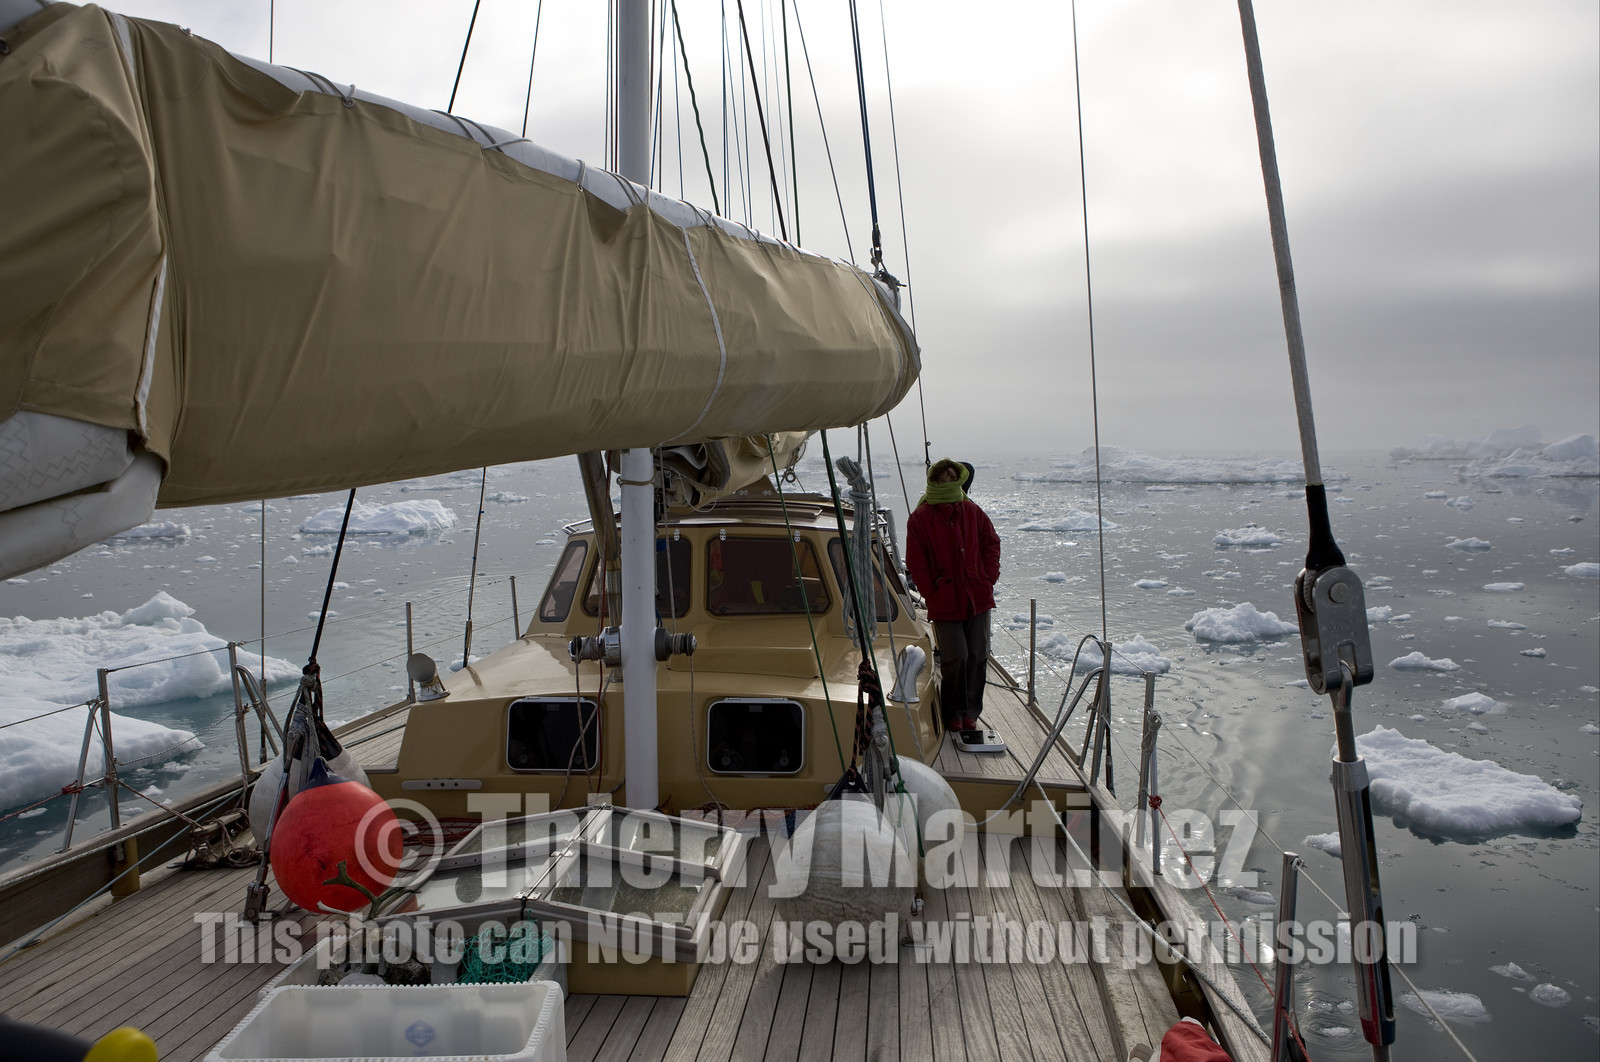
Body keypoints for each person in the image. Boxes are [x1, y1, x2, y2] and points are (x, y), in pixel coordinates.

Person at [905, 458, 1001, 734]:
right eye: (942, 478)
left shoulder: (972, 511)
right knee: (956, 656)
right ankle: (953, 712)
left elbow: (991, 542)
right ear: (934, 481)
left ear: (958, 479)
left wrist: (988, 578)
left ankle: (970, 713)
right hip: (944, 599)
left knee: (977, 655)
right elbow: (917, 562)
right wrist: (931, 592)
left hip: (977, 596)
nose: (947, 481)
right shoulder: (921, 518)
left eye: (951, 477)